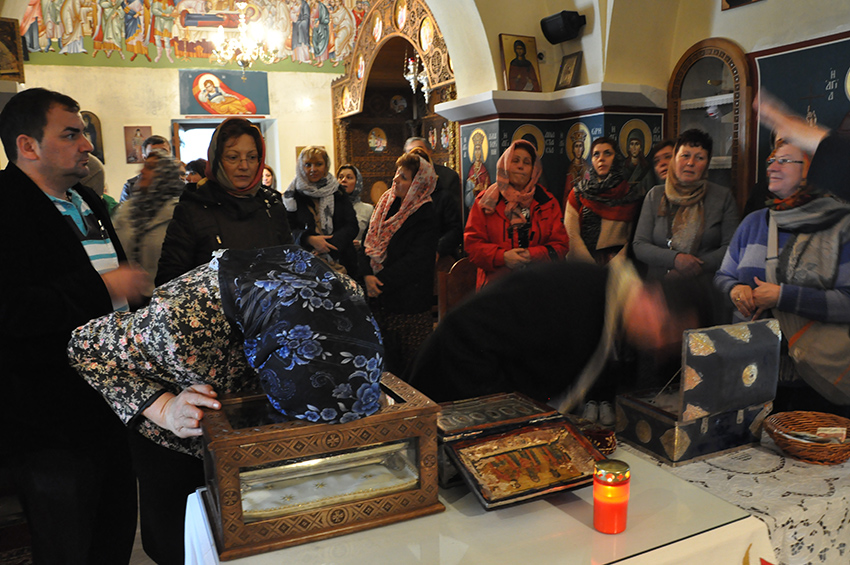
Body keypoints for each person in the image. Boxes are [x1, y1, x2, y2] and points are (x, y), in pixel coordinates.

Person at [68, 245, 384, 565]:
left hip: (245, 422)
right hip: (179, 434)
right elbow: (83, 349)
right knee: (183, 542)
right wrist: (164, 409)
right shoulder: (177, 323)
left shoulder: (345, 295)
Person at [0, 87, 148, 564]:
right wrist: (106, 288)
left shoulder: (87, 201)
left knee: (114, 533)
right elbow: (13, 311)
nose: (87, 144)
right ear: (28, 146)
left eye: (83, 132)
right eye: (71, 134)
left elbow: (116, 285)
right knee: (67, 546)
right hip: (50, 422)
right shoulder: (7, 207)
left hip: (113, 405)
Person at [408, 259, 707, 411]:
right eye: (665, 328)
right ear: (652, 297)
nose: (658, 344)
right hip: (450, 383)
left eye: (668, 345)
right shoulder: (574, 292)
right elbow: (468, 333)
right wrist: (505, 423)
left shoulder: (614, 315)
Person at [714, 139, 850, 415]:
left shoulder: (838, 227)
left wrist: (781, 296)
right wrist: (734, 289)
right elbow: (723, 274)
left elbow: (847, 302)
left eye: (785, 160)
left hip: (813, 378)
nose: (773, 167)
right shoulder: (754, 222)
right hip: (750, 369)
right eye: (771, 161)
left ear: (810, 171)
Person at [156, 117, 293, 286]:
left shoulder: (271, 206)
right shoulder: (193, 208)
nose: (244, 166)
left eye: (251, 157)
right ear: (217, 160)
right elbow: (169, 280)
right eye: (233, 157)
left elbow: (290, 265)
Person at [359, 152, 439, 377]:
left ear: (417, 184)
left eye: (403, 177)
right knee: (384, 369)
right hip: (380, 302)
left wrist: (379, 281)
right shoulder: (386, 205)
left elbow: (416, 262)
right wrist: (366, 276)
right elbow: (367, 243)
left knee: (411, 371)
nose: (395, 180)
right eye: (396, 174)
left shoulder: (425, 214)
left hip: (409, 307)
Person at [632, 129, 739, 281]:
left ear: (707, 164)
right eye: (685, 156)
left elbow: (731, 247)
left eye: (699, 158)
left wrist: (694, 266)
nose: (690, 163)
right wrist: (675, 259)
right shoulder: (655, 195)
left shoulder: (722, 197)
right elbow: (640, 245)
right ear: (675, 158)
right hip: (660, 286)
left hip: (705, 288)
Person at [464, 139, 568, 288]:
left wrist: (532, 255)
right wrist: (503, 257)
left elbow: (561, 246)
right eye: (515, 160)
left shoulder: (547, 202)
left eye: (527, 162)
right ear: (505, 165)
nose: (521, 166)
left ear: (534, 169)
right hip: (496, 289)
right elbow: (472, 246)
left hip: (540, 286)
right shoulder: (485, 201)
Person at [112, 148, 185, 301]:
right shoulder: (126, 211)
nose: (142, 171)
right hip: (127, 299)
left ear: (165, 175)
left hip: (164, 301)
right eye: (145, 165)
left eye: (151, 167)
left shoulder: (179, 213)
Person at [565, 136, 644, 266]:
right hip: (583, 267)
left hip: (620, 268)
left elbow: (633, 238)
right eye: (596, 154)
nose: (601, 158)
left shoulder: (630, 195)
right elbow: (572, 236)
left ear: (616, 157)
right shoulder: (579, 193)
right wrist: (592, 268)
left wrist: (613, 267)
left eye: (607, 153)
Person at [284, 146, 359, 275]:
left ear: (326, 166)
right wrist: (308, 239)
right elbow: (287, 230)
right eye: (308, 165)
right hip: (305, 265)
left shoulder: (338, 191)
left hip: (340, 261)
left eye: (319, 164)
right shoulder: (292, 195)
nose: (313, 169)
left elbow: (351, 226)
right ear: (301, 167)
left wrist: (328, 245)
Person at [404, 136, 463, 259]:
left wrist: (435, 250)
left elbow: (455, 227)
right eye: (409, 152)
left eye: (419, 150)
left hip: (439, 254)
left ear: (429, 152)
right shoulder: (403, 182)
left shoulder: (447, 178)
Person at [121, 133, 171, 202]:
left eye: (163, 152)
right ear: (144, 158)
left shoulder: (179, 185)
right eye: (154, 153)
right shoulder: (130, 187)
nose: (160, 157)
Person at [338, 163, 373, 245]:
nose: (343, 180)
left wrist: (360, 244)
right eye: (340, 177)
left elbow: (374, 238)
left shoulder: (368, 210)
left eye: (349, 177)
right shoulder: (329, 206)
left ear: (357, 182)